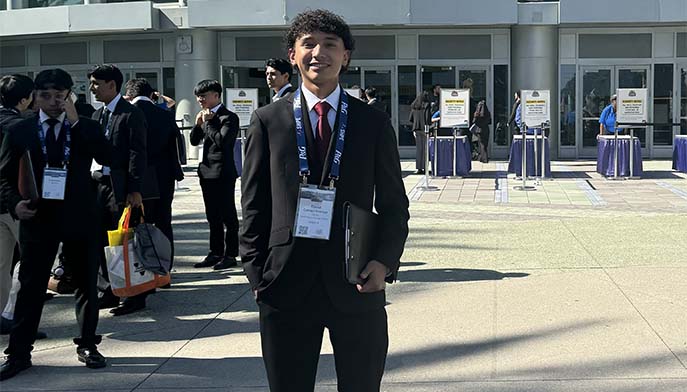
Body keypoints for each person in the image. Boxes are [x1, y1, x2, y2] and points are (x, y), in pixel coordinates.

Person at [240, 9, 410, 391]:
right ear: (293, 54)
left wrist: (384, 263)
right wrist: (256, 273)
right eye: (309, 44)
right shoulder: (268, 121)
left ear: (346, 56)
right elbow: (253, 204)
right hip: (284, 284)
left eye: (331, 45)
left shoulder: (372, 122)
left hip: (357, 279)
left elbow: (395, 205)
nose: (320, 53)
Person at [0, 69, 111, 380]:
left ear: (69, 97)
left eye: (59, 96)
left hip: (80, 217)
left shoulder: (84, 127)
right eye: (45, 95)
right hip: (38, 218)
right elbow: (4, 177)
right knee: (31, 287)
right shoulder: (21, 130)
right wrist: (14, 204)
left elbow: (108, 155)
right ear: (34, 97)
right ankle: (19, 353)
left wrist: (76, 123)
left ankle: (88, 344)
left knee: (87, 284)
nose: (52, 102)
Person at [115, 78, 183, 315]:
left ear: (128, 93)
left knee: (137, 227)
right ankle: (164, 272)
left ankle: (143, 277)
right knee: (163, 223)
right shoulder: (164, 114)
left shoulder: (128, 114)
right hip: (164, 178)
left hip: (139, 179)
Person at [88, 64, 148, 312]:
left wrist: (134, 189)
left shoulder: (130, 114)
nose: (92, 88)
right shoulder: (97, 115)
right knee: (102, 239)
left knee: (124, 242)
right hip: (98, 186)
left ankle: (135, 295)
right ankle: (110, 290)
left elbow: (137, 153)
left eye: (96, 83)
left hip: (120, 187)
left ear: (112, 85)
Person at [190, 80, 240, 271]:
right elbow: (194, 141)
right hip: (206, 172)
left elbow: (223, 142)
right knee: (212, 215)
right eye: (198, 96)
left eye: (204, 95)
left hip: (223, 172)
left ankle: (231, 253)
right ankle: (215, 252)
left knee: (228, 214)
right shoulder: (204, 116)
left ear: (216, 96)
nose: (200, 99)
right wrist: (198, 124)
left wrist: (209, 123)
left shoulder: (229, 117)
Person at [0, 75, 33, 316]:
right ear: (24, 99)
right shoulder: (19, 126)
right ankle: (19, 315)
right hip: (16, 202)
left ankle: (2, 314)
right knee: (32, 261)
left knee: (1, 265)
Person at [408, 91, 432, 174]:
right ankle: (425, 167)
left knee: (419, 149)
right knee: (425, 149)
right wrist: (429, 127)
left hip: (416, 129)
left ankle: (419, 168)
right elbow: (427, 117)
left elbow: (410, 119)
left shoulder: (414, 106)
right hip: (424, 129)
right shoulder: (427, 105)